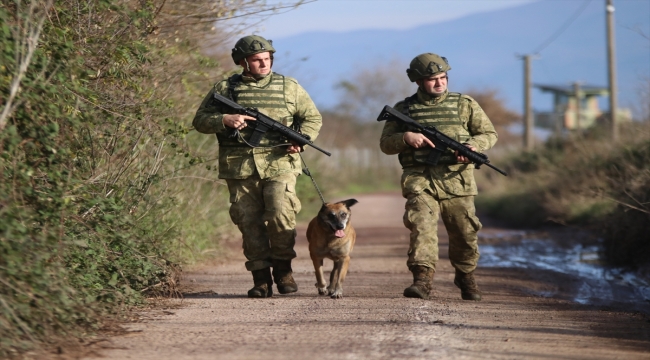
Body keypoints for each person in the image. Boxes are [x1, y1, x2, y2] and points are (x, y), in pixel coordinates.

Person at [192, 35, 322, 298]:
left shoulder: (289, 87)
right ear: (243, 62)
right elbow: (200, 120)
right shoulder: (226, 88)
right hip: (240, 166)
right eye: (257, 60)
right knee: (248, 222)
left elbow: (312, 118)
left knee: (281, 214)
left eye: (267, 59)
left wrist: (302, 141)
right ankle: (261, 278)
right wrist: (225, 119)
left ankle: (284, 270)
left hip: (280, 162)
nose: (264, 64)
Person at [379, 53, 498, 301]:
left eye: (443, 77)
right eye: (432, 79)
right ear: (418, 81)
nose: (439, 83)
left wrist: (474, 146)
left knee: (464, 233)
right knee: (422, 229)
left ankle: (466, 276)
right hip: (420, 180)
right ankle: (422, 280)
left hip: (457, 180)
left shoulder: (464, 104)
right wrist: (406, 138)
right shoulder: (404, 109)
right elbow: (386, 144)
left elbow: (488, 133)